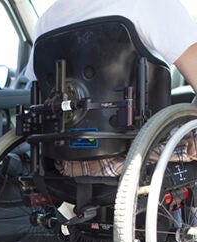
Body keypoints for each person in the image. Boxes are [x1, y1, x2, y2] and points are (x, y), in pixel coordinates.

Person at [25, 0, 197, 177]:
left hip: (66, 166)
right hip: (132, 159)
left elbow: (35, 91)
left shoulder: (46, 21)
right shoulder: (149, 3)